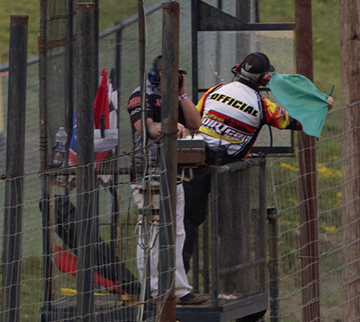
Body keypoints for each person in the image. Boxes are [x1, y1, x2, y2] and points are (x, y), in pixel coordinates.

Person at [180, 52, 303, 304]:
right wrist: (318, 103)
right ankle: (227, 288)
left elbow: (196, 118)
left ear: (238, 69)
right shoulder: (265, 106)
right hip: (231, 168)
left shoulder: (217, 89)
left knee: (188, 223)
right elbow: (296, 123)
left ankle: (180, 287)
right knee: (232, 228)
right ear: (265, 78)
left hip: (197, 160)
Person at [129, 59, 204, 301]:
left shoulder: (174, 96)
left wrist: (182, 95)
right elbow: (146, 128)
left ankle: (179, 289)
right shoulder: (141, 96)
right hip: (148, 174)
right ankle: (152, 290)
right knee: (152, 233)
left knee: (177, 231)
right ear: (155, 76)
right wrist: (171, 127)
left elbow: (195, 123)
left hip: (175, 173)